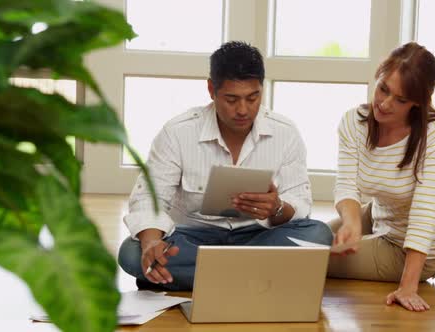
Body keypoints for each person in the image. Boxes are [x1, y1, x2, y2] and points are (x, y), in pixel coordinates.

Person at [118, 41, 333, 291]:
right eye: (231, 99)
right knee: (132, 253)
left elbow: (300, 202)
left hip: (258, 236)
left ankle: (209, 279)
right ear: (211, 89)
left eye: (253, 98)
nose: (243, 110)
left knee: (318, 234)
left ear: (261, 90)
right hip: (193, 238)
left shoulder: (285, 132)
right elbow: (149, 198)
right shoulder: (178, 132)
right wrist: (151, 243)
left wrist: (277, 208)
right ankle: (257, 279)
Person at [328, 42, 435, 312]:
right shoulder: (354, 121)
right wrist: (351, 223)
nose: (384, 104)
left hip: (411, 248)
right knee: (306, 235)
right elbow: (346, 184)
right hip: (378, 215)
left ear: (419, 102)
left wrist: (408, 286)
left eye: (400, 100)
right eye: (383, 88)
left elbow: (424, 209)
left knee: (311, 257)